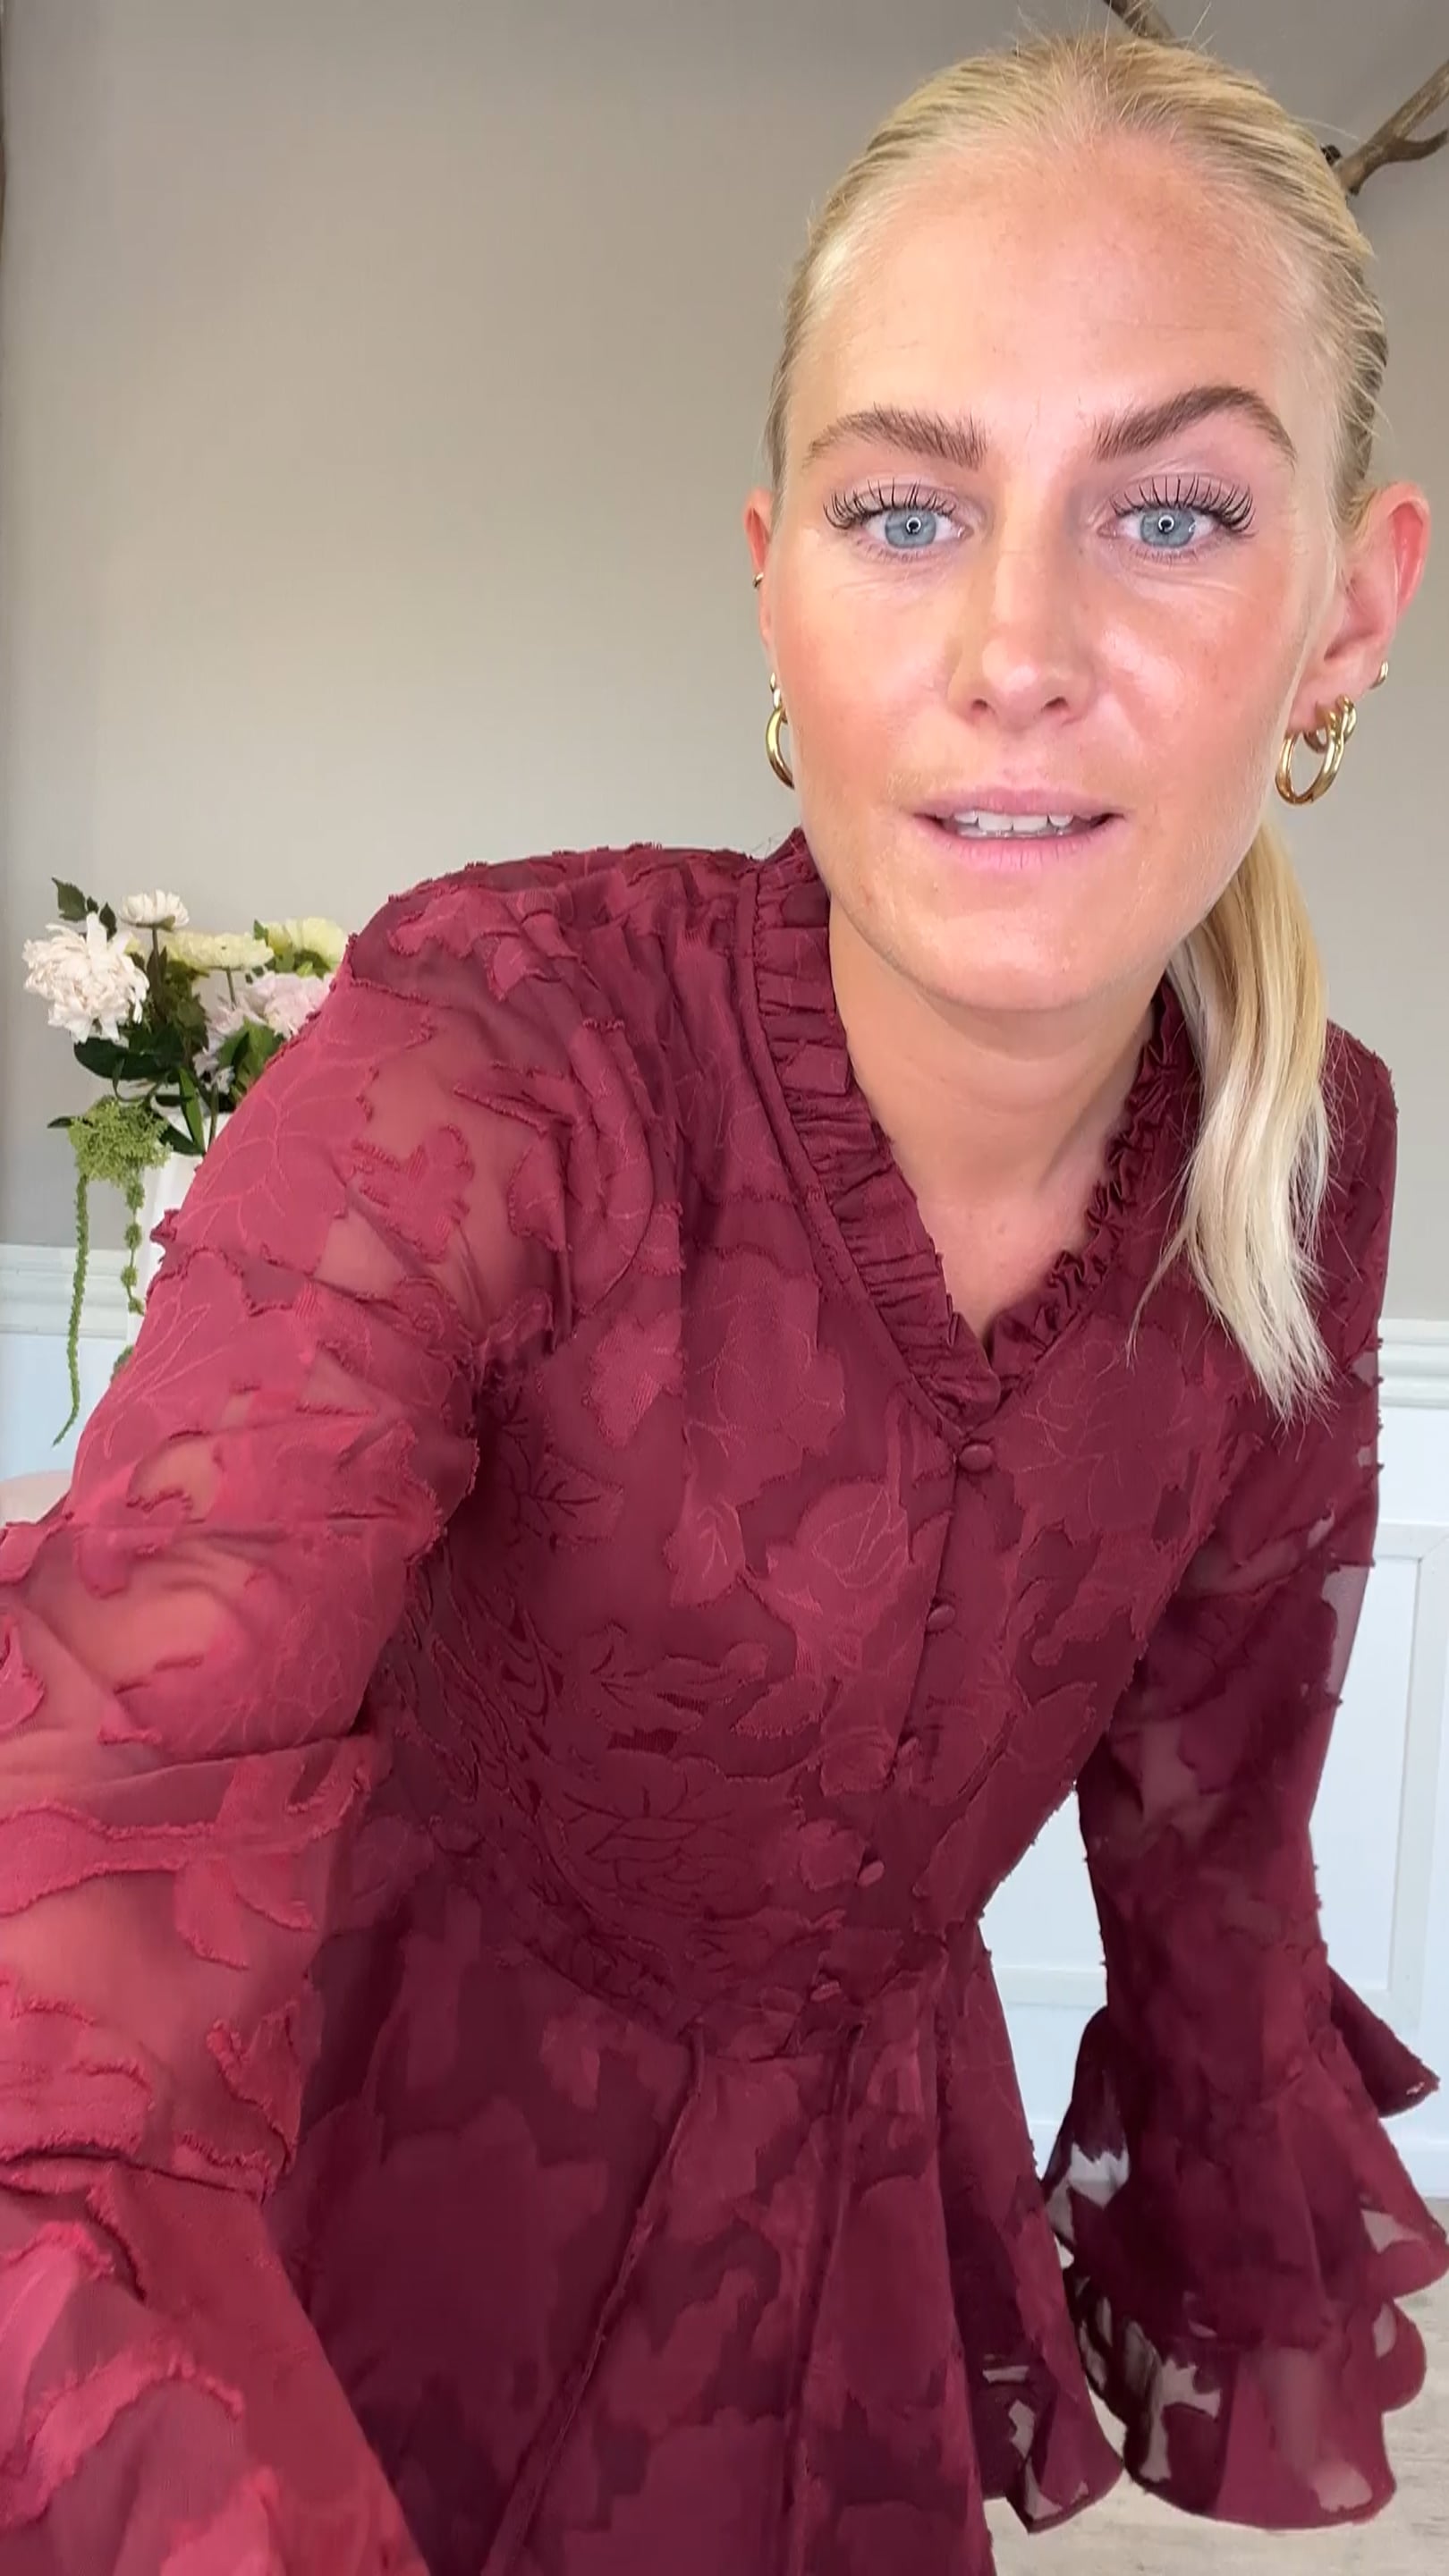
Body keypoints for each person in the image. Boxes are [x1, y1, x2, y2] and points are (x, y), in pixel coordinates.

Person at [0, 23, 1444, 2574]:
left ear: (1351, 608)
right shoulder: (498, 1055)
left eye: (1172, 512)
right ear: (770, 574)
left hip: (835, 2260)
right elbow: (89, 1860)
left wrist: (1225, 2251)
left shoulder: (1306, 1154)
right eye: (907, 510)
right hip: (359, 2209)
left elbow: (1211, 1838)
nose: (1014, 644)